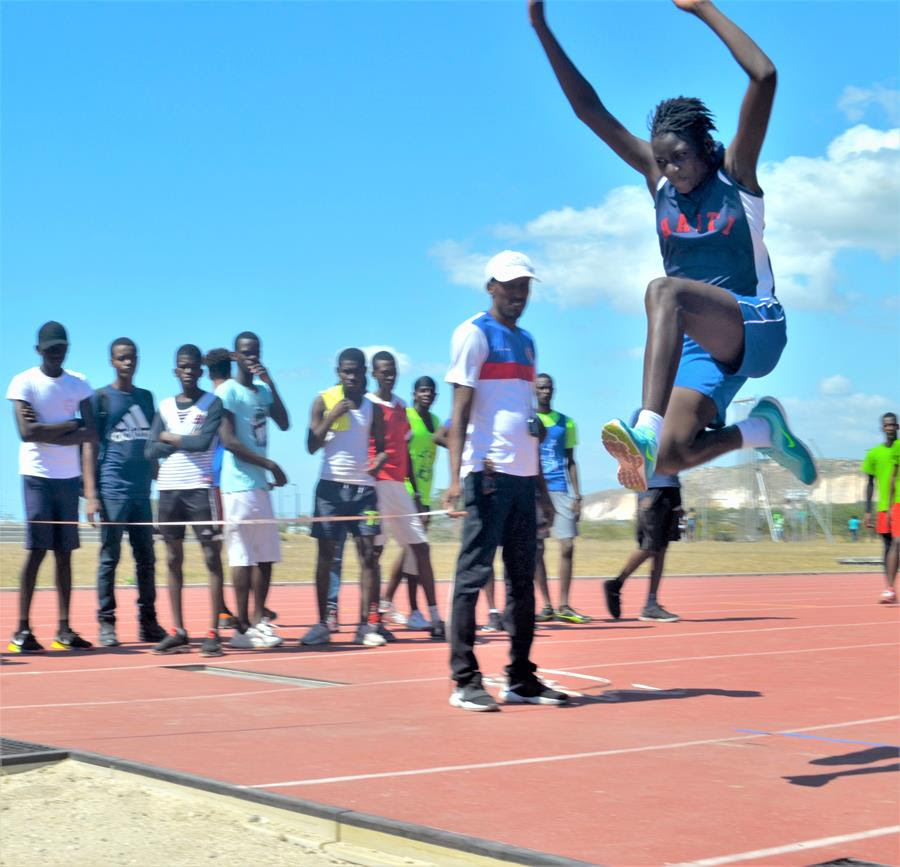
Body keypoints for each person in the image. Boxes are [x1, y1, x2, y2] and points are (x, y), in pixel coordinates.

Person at [529, 0, 816, 493]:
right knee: (669, 457)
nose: (672, 171)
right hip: (700, 341)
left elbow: (765, 76)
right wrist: (540, 26)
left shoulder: (735, 174)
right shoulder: (660, 182)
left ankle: (645, 425)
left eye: (680, 158)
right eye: (662, 162)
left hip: (755, 322)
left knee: (664, 292)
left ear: (705, 148)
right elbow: (588, 110)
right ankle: (762, 430)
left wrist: (702, 8)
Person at [443, 250, 568, 711]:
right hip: (487, 475)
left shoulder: (529, 342)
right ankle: (464, 680)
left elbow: (529, 420)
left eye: (525, 287)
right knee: (472, 576)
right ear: (490, 286)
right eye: (510, 286)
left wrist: (542, 491)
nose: (518, 295)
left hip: (522, 479)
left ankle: (521, 678)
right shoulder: (473, 333)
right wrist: (456, 477)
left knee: (521, 580)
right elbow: (458, 412)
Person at [6, 322, 97, 653]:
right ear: (38, 351)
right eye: (49, 349)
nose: (55, 353)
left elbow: (91, 432)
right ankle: (22, 629)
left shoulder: (79, 384)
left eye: (60, 347)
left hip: (68, 478)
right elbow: (27, 433)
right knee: (37, 550)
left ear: (67, 348)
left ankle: (63, 629)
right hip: (36, 475)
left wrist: (49, 428)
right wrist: (70, 425)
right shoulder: (24, 381)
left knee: (65, 555)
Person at [83, 337, 165, 647]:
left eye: (132, 357)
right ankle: (107, 622)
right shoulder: (101, 398)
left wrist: (160, 482)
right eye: (121, 358)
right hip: (112, 490)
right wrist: (91, 493)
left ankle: (149, 622)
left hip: (142, 493)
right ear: (112, 361)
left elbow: (152, 443)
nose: (128, 362)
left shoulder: (146, 398)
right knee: (110, 558)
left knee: (146, 559)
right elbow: (89, 446)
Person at [304, 348, 388, 647]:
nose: (351, 377)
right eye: (345, 371)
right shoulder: (323, 400)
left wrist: (378, 461)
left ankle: (365, 625)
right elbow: (311, 445)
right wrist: (332, 416)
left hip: (364, 491)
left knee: (368, 557)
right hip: (329, 488)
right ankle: (321, 623)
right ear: (338, 372)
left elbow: (382, 447)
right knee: (326, 557)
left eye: (356, 371)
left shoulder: (373, 409)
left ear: (365, 372)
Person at [145, 344, 225, 656]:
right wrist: (178, 442)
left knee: (210, 557)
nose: (189, 371)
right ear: (175, 371)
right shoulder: (164, 406)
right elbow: (149, 451)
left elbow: (204, 442)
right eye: (183, 366)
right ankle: (178, 631)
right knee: (173, 558)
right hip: (169, 490)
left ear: (201, 371)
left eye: (193, 367)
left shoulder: (212, 403)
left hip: (201, 488)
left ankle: (213, 631)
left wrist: (169, 438)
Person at [216, 332, 289, 649]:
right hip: (237, 486)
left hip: (259, 485)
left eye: (256, 352)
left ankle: (260, 621)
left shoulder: (261, 392)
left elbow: (284, 422)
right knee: (242, 557)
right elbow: (229, 441)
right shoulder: (227, 392)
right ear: (235, 355)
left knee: (266, 557)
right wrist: (269, 464)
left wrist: (270, 381)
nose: (252, 356)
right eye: (246, 352)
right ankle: (242, 628)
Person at [367, 354, 444, 640]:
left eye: (393, 371)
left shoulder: (400, 407)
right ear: (375, 373)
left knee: (420, 548)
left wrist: (413, 487)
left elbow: (405, 450)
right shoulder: (368, 403)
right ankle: (374, 619)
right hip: (375, 486)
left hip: (399, 487)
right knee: (374, 553)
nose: (390, 375)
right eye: (384, 371)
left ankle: (434, 615)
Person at [604, 440, 683, 623]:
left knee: (662, 549)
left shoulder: (675, 416)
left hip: (672, 487)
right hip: (652, 488)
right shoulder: (642, 418)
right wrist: (642, 492)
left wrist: (678, 498)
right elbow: (626, 454)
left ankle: (651, 604)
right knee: (649, 546)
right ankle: (616, 584)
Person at [533, 373, 590, 624]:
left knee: (567, 546)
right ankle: (546, 605)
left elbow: (571, 460)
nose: (545, 392)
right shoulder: (528, 420)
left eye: (549, 388)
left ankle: (564, 604)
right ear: (534, 390)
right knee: (537, 548)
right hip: (534, 490)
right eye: (541, 388)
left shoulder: (566, 423)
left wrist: (577, 494)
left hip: (560, 488)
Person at [204, 347, 239, 629]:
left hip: (220, 478)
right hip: (227, 477)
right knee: (232, 544)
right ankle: (225, 609)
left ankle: (227, 608)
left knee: (222, 544)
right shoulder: (234, 393)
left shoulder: (217, 397)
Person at [862, 412, 898, 603]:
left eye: (893, 425)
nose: (890, 428)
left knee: (897, 543)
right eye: (887, 425)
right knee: (888, 547)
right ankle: (889, 588)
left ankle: (890, 588)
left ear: (897, 427)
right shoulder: (874, 454)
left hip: (898, 504)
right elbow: (869, 483)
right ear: (882, 428)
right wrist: (868, 510)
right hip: (884, 506)